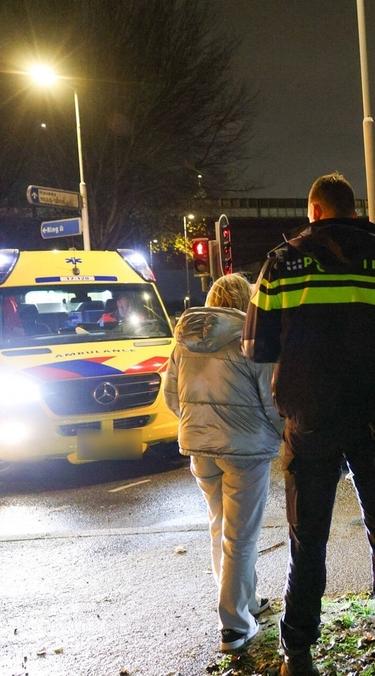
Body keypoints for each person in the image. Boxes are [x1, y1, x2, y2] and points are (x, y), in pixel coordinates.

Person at [243, 173, 375, 676]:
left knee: (308, 538)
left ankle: (299, 654)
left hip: (310, 420)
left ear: (314, 211)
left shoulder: (280, 264)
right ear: (352, 211)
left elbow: (256, 348)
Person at [163, 273, 284, 653]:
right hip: (245, 448)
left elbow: (171, 396)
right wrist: (281, 433)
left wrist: (197, 423)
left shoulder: (185, 339)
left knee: (220, 528)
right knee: (241, 535)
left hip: (200, 447)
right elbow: (272, 398)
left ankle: (245, 604)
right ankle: (233, 624)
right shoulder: (249, 338)